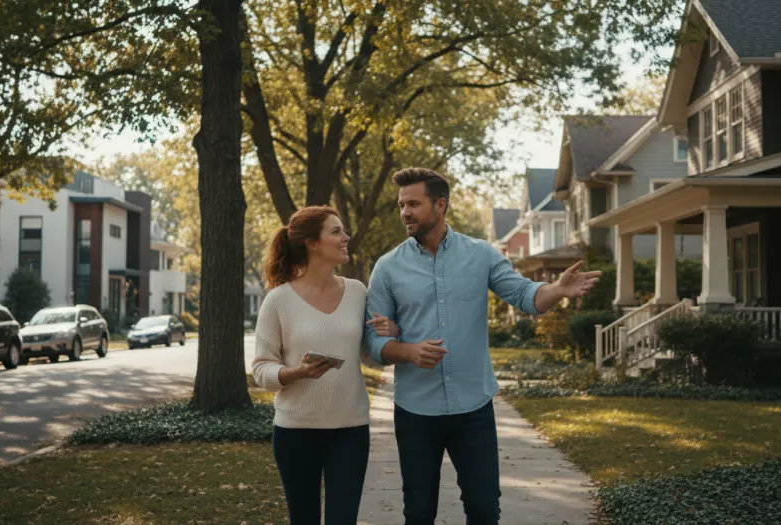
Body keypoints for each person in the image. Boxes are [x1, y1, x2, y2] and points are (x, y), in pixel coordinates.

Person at [363, 168, 602, 525]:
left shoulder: (480, 254)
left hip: (472, 406)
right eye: (401, 205)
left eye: (414, 203)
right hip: (415, 409)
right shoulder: (387, 267)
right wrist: (408, 351)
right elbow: (373, 341)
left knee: (484, 509)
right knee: (418, 510)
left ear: (440, 204)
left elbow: (523, 294)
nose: (405, 212)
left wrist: (557, 290)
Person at [251, 205, 399, 525]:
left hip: (350, 429)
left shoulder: (357, 292)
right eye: (336, 232)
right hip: (295, 432)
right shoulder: (278, 300)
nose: (346, 237)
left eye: (343, 231)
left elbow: (368, 355)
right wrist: (295, 373)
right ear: (312, 243)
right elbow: (261, 369)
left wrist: (390, 335)